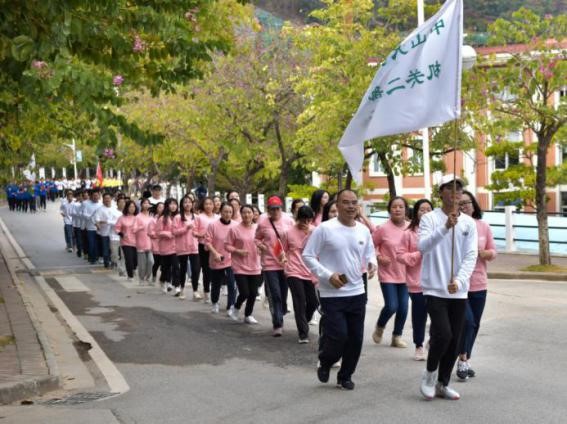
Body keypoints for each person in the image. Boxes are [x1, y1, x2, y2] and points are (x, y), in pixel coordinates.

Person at [303, 189, 377, 390]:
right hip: (332, 292)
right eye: (346, 202)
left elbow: (370, 253)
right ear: (338, 205)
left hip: (357, 291)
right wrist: (328, 275)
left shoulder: (363, 230)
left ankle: (345, 376)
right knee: (339, 335)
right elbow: (308, 255)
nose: (351, 206)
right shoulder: (325, 229)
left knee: (356, 338)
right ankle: (326, 361)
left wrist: (372, 263)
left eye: (354, 202)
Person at [418, 174, 478, 401]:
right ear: (440, 192)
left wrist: (460, 281)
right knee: (442, 334)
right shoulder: (429, 219)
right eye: (450, 188)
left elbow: (471, 255)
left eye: (459, 189)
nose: (456, 192)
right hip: (434, 288)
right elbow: (423, 246)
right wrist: (445, 227)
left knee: (455, 340)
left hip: (458, 290)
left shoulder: (469, 223)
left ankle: (443, 383)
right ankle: (429, 375)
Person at [456, 190, 496, 381]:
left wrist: (485, 253)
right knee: (468, 322)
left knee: (475, 324)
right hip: (460, 284)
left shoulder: (483, 226)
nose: (464, 206)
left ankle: (465, 359)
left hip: (479, 283)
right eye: (460, 203)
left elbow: (493, 251)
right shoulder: (454, 226)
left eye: (467, 202)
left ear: (474, 205)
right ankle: (462, 359)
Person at [397, 199, 433, 361]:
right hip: (417, 282)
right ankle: (419, 345)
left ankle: (433, 338)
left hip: (437, 282)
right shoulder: (408, 233)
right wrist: (418, 254)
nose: (425, 213)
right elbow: (399, 255)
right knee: (420, 315)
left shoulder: (440, 231)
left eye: (428, 210)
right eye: (421, 210)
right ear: (416, 212)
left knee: (439, 315)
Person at [372, 196, 410, 348]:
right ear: (389, 210)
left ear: (406, 209)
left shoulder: (411, 227)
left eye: (401, 206)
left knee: (403, 308)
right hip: (388, 273)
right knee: (392, 306)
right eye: (394, 207)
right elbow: (370, 245)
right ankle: (380, 326)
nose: (397, 209)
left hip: (406, 273)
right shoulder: (382, 229)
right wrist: (379, 256)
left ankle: (396, 337)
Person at [255, 195, 295, 337]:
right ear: (268, 210)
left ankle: (281, 310)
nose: (275, 211)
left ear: (281, 208)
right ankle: (277, 323)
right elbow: (256, 238)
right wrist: (261, 246)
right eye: (272, 209)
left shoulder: (289, 220)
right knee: (275, 294)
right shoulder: (263, 223)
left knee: (283, 293)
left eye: (277, 208)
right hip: (269, 263)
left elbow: (294, 237)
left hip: (285, 262)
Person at [282, 205, 318, 344]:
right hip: (293, 271)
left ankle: (305, 320)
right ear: (298, 218)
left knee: (313, 302)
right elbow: (281, 250)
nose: (306, 223)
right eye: (303, 220)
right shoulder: (288, 232)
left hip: (310, 272)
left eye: (309, 220)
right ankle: (303, 333)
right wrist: (283, 260)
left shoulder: (315, 231)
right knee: (299, 301)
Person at [225, 204, 262, 323]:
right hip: (239, 266)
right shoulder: (234, 229)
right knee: (245, 292)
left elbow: (264, 242)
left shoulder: (258, 228)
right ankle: (236, 307)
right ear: (241, 214)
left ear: (253, 214)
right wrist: (238, 251)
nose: (247, 215)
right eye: (244, 212)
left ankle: (248, 315)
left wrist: (262, 248)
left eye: (249, 212)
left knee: (253, 293)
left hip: (255, 265)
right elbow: (227, 246)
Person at [205, 202, 237, 314]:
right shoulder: (213, 225)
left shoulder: (236, 225)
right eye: (225, 211)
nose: (228, 214)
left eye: (230, 212)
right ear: (220, 212)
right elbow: (207, 242)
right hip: (217, 258)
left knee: (232, 283)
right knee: (216, 284)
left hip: (231, 260)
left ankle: (231, 306)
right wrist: (215, 254)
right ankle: (215, 302)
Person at [173, 196, 200, 300]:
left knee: (196, 269)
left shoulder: (196, 217)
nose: (187, 204)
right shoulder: (177, 217)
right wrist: (185, 228)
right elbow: (174, 232)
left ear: (192, 204)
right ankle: (182, 290)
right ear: (182, 204)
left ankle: (195, 291)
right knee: (183, 269)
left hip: (194, 247)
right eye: (185, 202)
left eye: (189, 202)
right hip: (182, 247)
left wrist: (198, 233)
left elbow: (200, 230)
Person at [194, 197, 218, 303]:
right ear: (203, 205)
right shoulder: (199, 217)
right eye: (206, 204)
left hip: (216, 247)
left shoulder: (218, 217)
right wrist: (202, 235)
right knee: (206, 270)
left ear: (214, 205)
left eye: (210, 204)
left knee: (216, 270)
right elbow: (194, 232)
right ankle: (206, 292)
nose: (208, 206)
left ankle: (215, 292)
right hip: (203, 246)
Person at [155, 198, 179, 293]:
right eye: (171, 204)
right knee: (165, 267)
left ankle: (177, 286)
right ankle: (163, 281)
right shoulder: (162, 218)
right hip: (165, 247)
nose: (173, 206)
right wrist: (168, 234)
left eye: (175, 204)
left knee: (176, 266)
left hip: (176, 247)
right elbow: (158, 232)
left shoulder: (178, 217)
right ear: (167, 206)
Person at [115, 200, 138, 280]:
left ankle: (134, 268)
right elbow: (117, 228)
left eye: (133, 207)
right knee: (129, 259)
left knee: (135, 260)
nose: (132, 208)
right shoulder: (122, 218)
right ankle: (130, 275)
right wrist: (121, 234)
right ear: (127, 208)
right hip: (126, 241)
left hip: (137, 242)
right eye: (130, 207)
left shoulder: (137, 218)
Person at [134, 198, 154, 285]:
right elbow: (134, 229)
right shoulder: (138, 217)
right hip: (141, 242)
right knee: (142, 264)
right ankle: (141, 279)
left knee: (151, 261)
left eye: (147, 203)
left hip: (150, 242)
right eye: (144, 203)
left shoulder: (151, 217)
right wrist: (140, 228)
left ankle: (147, 277)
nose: (146, 205)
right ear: (141, 205)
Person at [93, 192, 115, 268]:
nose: (107, 200)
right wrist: (99, 225)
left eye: (108, 198)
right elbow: (96, 220)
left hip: (114, 233)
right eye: (105, 198)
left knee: (113, 249)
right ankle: (106, 262)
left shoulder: (114, 208)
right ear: (103, 200)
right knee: (105, 249)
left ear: (111, 199)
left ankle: (113, 262)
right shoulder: (100, 209)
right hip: (104, 233)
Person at [83, 189, 102, 264]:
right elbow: (84, 214)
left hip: (99, 228)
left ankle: (97, 257)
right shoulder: (87, 204)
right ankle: (91, 258)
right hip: (90, 228)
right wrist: (91, 216)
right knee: (91, 243)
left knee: (97, 244)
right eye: (94, 195)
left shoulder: (101, 204)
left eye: (97, 195)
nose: (95, 197)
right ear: (91, 196)